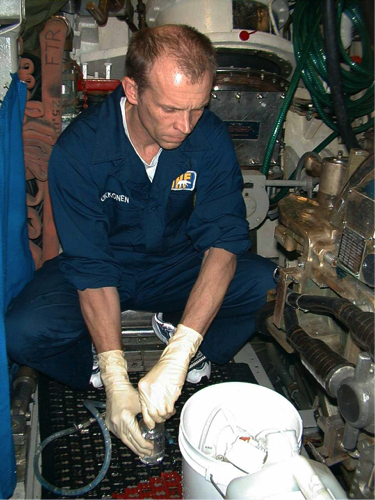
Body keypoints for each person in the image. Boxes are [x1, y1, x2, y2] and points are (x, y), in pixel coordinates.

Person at [6, 25, 276, 458]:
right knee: (22, 331)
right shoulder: (79, 150)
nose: (184, 126)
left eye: (197, 109)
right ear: (131, 90)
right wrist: (116, 373)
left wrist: (183, 348)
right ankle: (95, 369)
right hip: (105, 268)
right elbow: (90, 266)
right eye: (170, 109)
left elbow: (223, 242)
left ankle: (184, 338)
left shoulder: (207, 137)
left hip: (177, 267)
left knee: (266, 285)